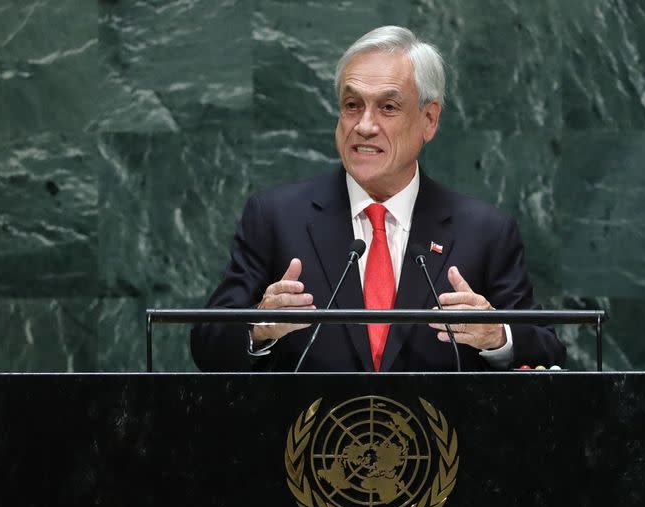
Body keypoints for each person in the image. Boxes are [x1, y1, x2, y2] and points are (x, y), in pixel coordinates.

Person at [190, 26, 565, 372]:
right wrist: (259, 323)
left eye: (388, 107)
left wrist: (498, 335)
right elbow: (207, 346)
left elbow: (547, 349)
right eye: (352, 105)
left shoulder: (485, 232)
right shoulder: (275, 218)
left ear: (429, 121)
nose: (365, 126)